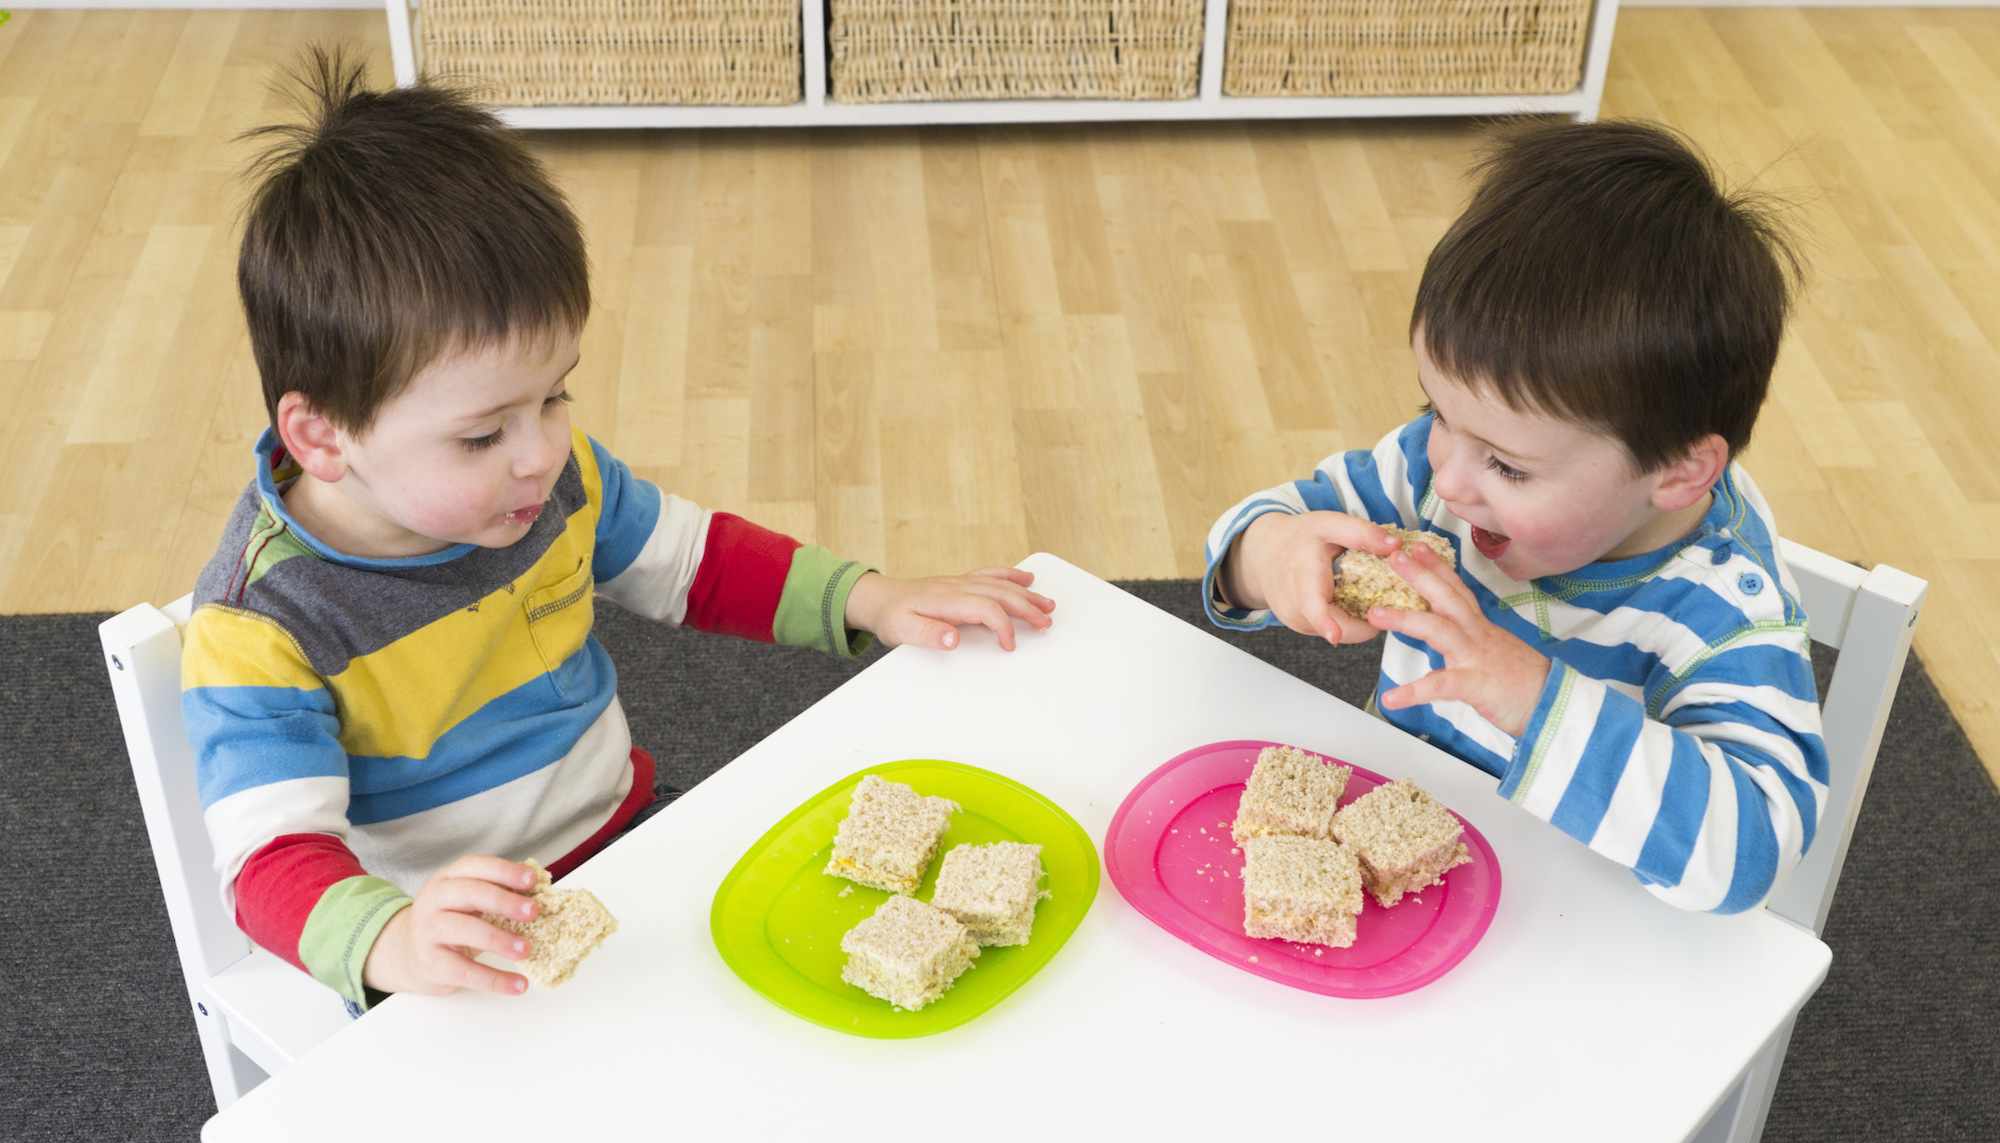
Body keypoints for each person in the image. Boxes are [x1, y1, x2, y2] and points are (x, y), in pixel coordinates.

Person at [183, 50, 1053, 1011]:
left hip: (627, 838)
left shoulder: (540, 484)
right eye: (482, 433)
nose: (540, 453)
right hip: (446, 945)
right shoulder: (260, 629)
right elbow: (268, 860)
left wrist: (868, 597)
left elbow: (696, 562)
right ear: (324, 436)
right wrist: (390, 937)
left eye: (555, 396)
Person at [1205, 120, 1823, 914]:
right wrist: (1274, 555)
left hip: (1573, 932)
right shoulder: (1438, 470)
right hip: (1399, 886)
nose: (1450, 481)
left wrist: (1533, 697)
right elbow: (1253, 528)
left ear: (1677, 472)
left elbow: (1749, 854)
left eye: (1507, 466)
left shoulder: (1725, 616)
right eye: (1436, 411)